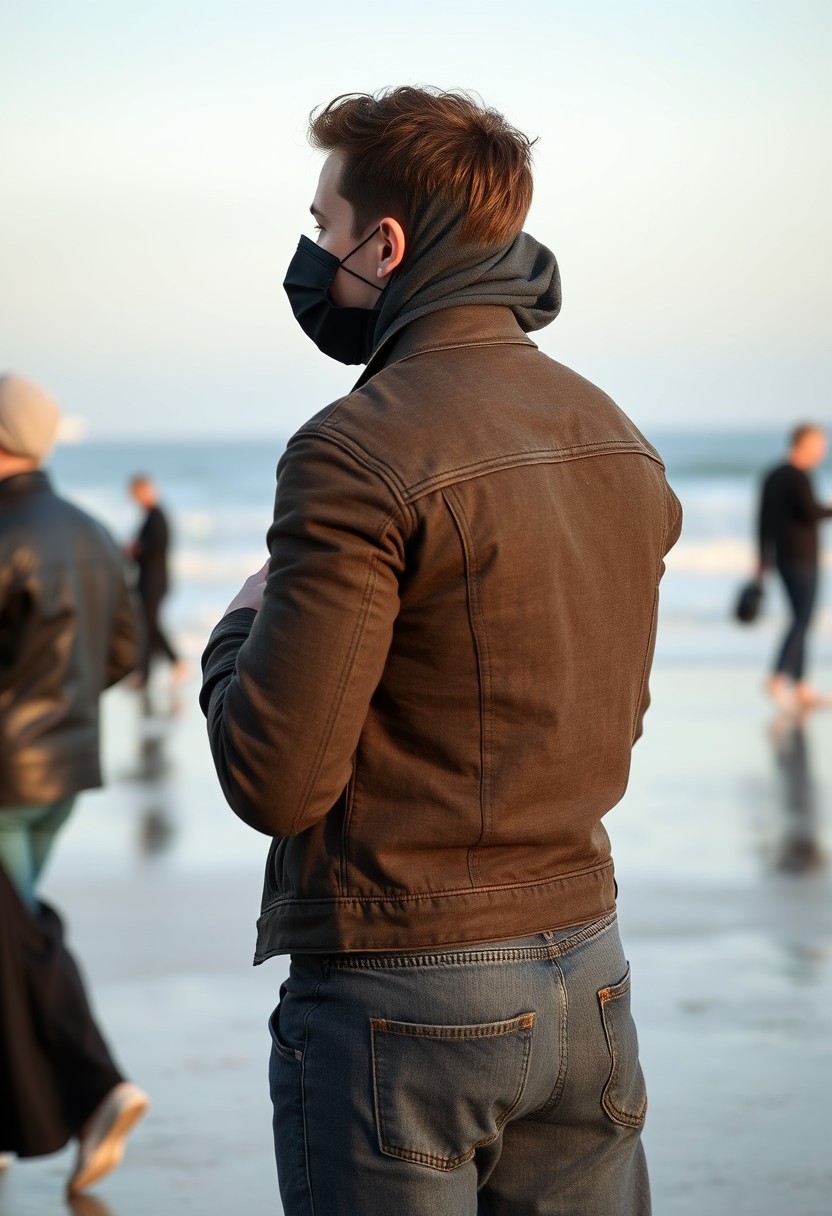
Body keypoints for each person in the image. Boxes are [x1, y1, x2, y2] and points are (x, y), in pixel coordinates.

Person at [200, 88, 682, 1216]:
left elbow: (274, 778)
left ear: (386, 243)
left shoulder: (354, 449)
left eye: (321, 228)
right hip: (589, 976)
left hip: (402, 989)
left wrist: (232, 632)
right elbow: (602, 712)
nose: (312, 256)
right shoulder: (617, 435)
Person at [0, 372, 149, 1195]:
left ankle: (100, 1090)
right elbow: (121, 655)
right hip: (63, 772)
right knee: (12, 935)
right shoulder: (91, 532)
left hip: (4, 772)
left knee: (18, 936)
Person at [759, 423, 832, 711]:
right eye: (819, 444)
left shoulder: (773, 475)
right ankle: (778, 677)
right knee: (802, 619)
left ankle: (800, 687)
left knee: (801, 618)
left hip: (783, 557)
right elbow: (810, 512)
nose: (822, 450)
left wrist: (761, 559)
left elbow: (762, 520)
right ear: (803, 444)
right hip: (803, 559)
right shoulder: (798, 476)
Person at [127, 474, 186, 687]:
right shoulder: (151, 517)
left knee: (149, 625)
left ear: (147, 490)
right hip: (149, 580)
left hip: (154, 581)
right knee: (147, 627)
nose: (136, 499)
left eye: (137, 494)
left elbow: (152, 549)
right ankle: (145, 675)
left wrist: (134, 551)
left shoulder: (157, 517)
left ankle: (176, 662)